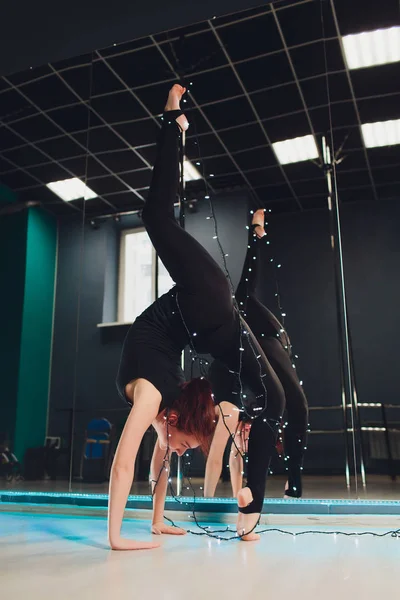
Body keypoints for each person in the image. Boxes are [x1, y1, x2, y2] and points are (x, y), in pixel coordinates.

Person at [110, 84, 286, 549]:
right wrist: (156, 520)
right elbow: (160, 460)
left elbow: (128, 462)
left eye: (185, 443)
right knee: (276, 397)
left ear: (177, 418)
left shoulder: (152, 400)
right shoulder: (163, 414)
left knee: (155, 218)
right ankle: (252, 509)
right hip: (208, 322)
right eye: (188, 446)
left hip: (205, 305)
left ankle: (173, 121)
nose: (181, 450)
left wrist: (122, 536)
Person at [204, 209, 309, 499]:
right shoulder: (221, 343)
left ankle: (294, 479)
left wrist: (256, 235)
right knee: (273, 408)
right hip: (245, 370)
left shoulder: (240, 307)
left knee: (297, 404)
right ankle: (251, 492)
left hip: (264, 340)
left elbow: (250, 273)